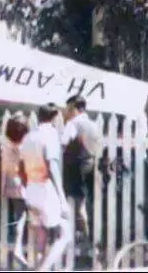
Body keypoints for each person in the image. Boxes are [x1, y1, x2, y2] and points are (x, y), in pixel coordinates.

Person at [20, 103, 72, 271]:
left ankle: (38, 265)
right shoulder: (51, 135)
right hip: (45, 189)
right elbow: (53, 168)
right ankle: (41, 269)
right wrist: (62, 197)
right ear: (55, 117)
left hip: (30, 188)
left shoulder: (29, 136)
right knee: (65, 234)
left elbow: (21, 166)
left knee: (41, 233)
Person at [61, 95, 102, 245]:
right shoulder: (93, 124)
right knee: (87, 204)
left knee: (76, 205)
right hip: (91, 166)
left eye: (69, 109)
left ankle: (84, 237)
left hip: (76, 167)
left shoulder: (73, 124)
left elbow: (63, 142)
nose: (67, 112)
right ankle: (88, 237)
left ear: (76, 109)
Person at [3, 111, 30, 267]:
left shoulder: (6, 145)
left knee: (18, 216)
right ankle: (18, 247)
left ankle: (17, 246)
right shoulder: (22, 147)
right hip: (20, 181)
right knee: (22, 216)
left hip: (9, 181)